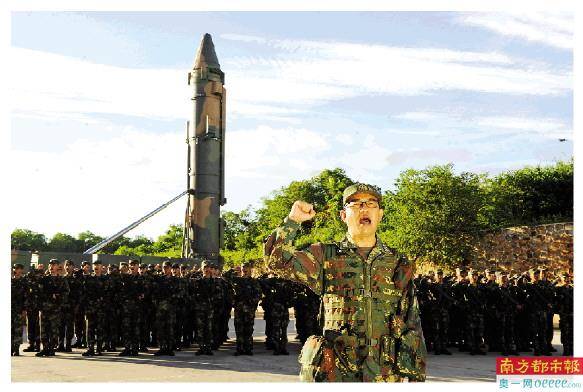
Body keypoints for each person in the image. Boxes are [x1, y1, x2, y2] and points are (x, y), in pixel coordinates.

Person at [264, 183, 426, 382]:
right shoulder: (324, 255)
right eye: (355, 204)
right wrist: (293, 221)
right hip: (337, 372)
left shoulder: (398, 261)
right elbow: (276, 262)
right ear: (343, 215)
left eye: (371, 204)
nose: (364, 209)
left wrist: (415, 378)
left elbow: (412, 321)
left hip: (385, 373)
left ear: (380, 214)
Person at [36, 259, 70, 357]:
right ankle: (45, 348)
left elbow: (66, 292)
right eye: (50, 265)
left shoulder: (62, 279)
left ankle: (51, 348)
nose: (51, 266)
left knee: (53, 330)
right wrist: (38, 271)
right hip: (44, 308)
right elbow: (37, 289)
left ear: (58, 266)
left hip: (55, 309)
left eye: (54, 265)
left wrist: (57, 296)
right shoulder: (44, 278)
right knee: (43, 329)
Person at [231, 262, 262, 355]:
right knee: (239, 329)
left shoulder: (254, 282)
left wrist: (252, 303)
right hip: (239, 309)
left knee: (248, 329)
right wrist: (233, 270)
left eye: (246, 268)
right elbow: (225, 277)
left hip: (249, 309)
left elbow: (258, 294)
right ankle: (239, 349)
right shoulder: (236, 280)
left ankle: (248, 348)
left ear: (250, 269)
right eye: (243, 267)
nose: (245, 269)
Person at [12, 264, 27, 356]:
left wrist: (24, 309)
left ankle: (16, 349)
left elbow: (26, 297)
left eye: (19, 269)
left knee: (18, 330)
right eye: (16, 268)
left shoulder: (24, 282)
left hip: (19, 309)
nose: (17, 270)